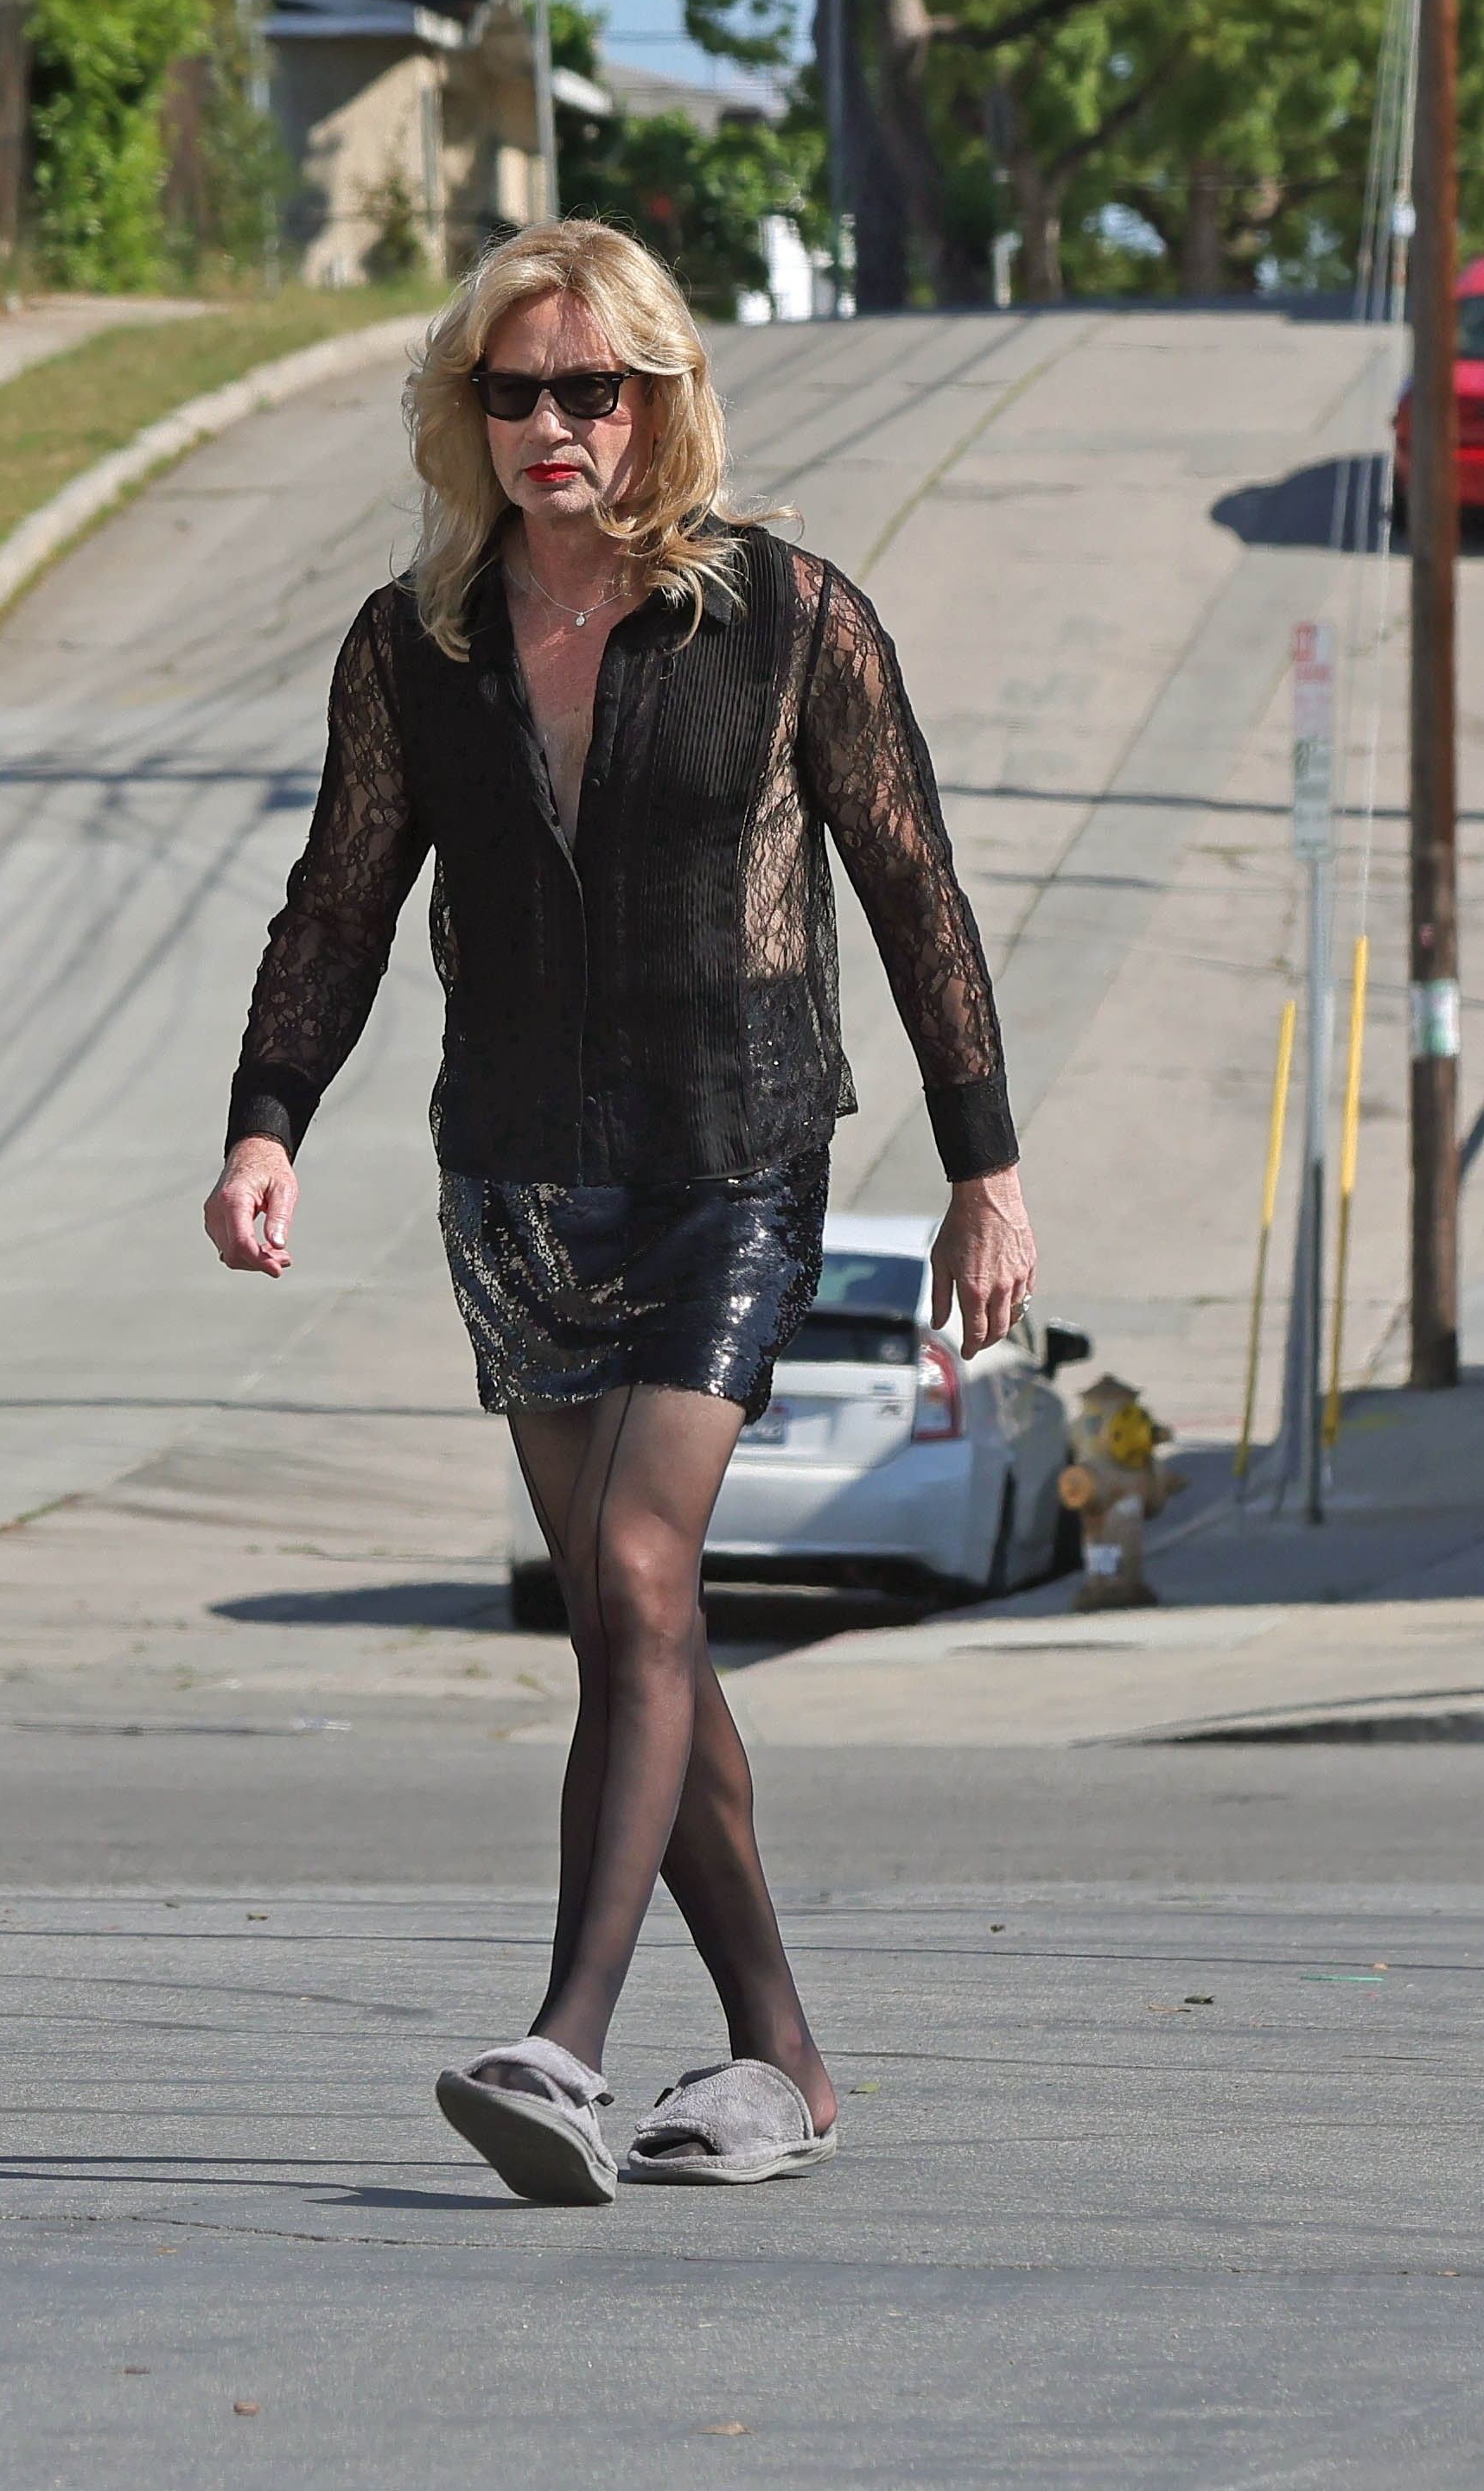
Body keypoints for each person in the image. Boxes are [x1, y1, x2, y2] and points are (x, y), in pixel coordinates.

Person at [205, 220, 1035, 2206]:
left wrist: (986, 1167)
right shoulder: (416, 646)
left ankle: (562, 2039)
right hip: (512, 1171)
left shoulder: (787, 618)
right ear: (467, 411)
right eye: (515, 391)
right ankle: (781, 2056)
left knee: (644, 1570)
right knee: (623, 1613)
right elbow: (339, 903)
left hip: (731, 1149)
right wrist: (265, 1124)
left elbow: (916, 893)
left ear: (658, 402)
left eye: (593, 388)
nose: (554, 423)